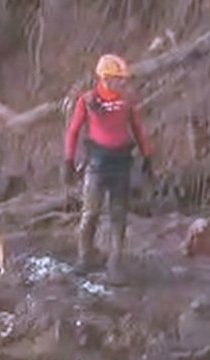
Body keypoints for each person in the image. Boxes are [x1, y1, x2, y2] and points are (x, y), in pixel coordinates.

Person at [62, 53, 153, 285]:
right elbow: (73, 131)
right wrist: (68, 161)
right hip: (97, 165)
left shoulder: (127, 101)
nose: (122, 83)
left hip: (121, 163)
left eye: (123, 79)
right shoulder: (88, 100)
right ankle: (85, 255)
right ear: (105, 78)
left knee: (118, 214)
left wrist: (147, 156)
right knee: (90, 212)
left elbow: (138, 128)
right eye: (118, 79)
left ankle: (115, 262)